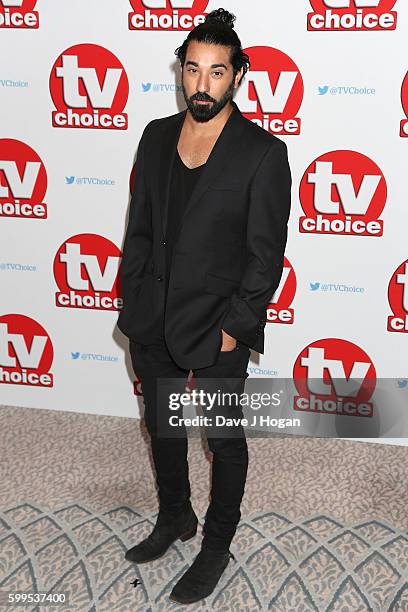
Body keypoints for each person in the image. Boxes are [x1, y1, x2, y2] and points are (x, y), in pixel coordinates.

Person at [117, 7, 292, 605]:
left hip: (217, 325)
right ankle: (176, 517)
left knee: (223, 441)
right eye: (192, 70)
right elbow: (139, 228)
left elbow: (265, 256)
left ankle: (217, 543)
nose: (201, 84)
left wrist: (235, 328)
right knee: (162, 426)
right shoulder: (155, 134)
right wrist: (134, 294)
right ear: (181, 72)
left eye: (216, 72)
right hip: (152, 316)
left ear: (236, 76)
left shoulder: (262, 154)